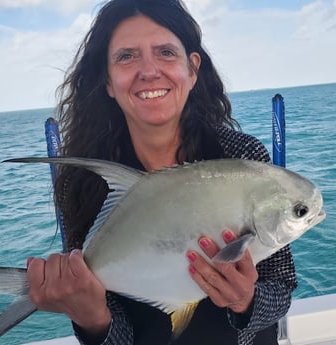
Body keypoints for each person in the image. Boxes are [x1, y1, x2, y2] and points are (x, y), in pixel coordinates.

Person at [26, 1, 297, 345]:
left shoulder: (241, 157)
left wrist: (247, 301)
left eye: (166, 52)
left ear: (192, 69)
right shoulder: (84, 183)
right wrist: (92, 317)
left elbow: (282, 287)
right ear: (108, 81)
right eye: (126, 56)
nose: (149, 70)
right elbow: (116, 333)